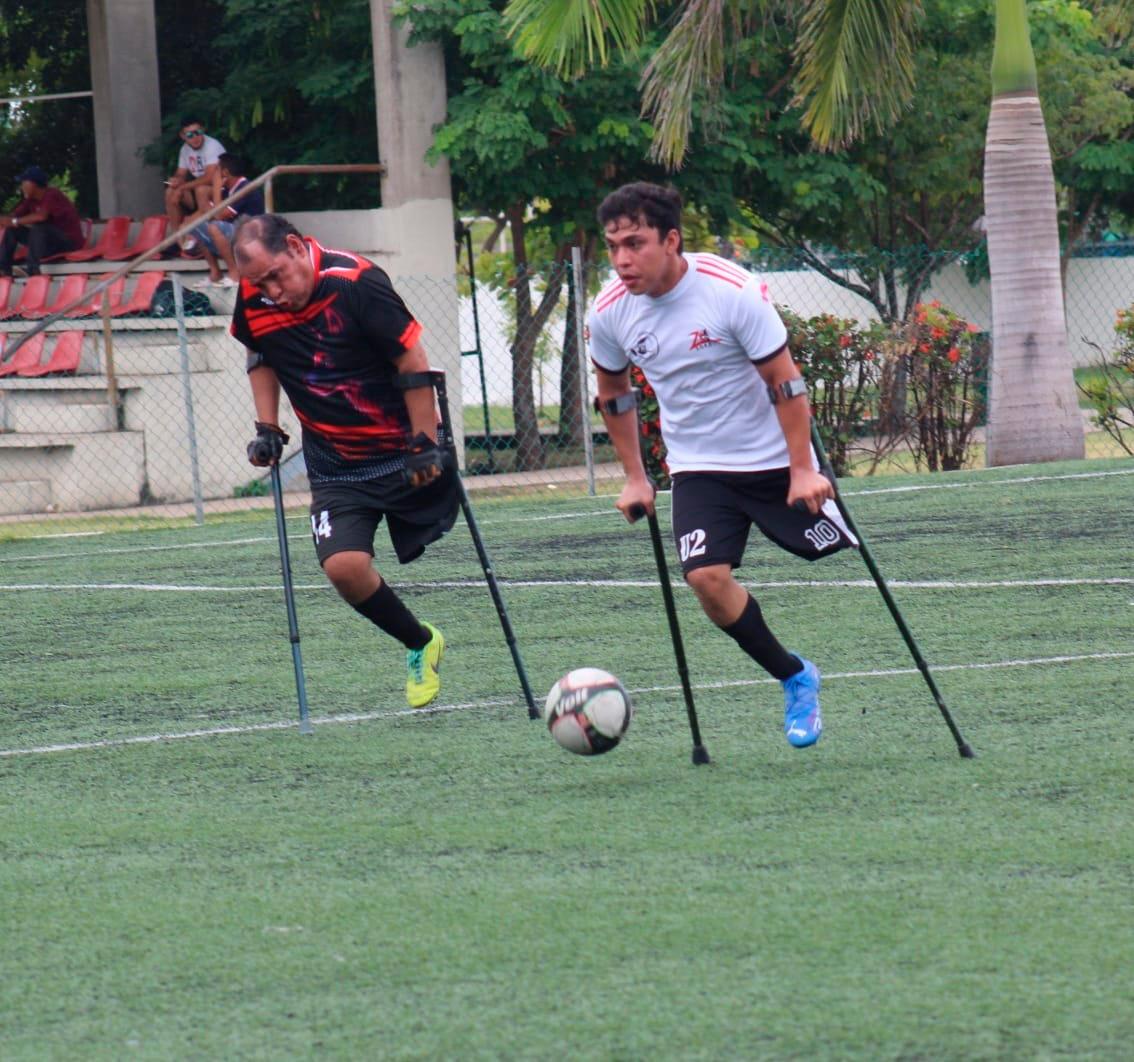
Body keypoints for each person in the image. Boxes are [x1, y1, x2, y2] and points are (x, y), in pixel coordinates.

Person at [587, 182, 857, 749]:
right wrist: (637, 476)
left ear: (672, 239)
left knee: (831, 555)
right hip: (698, 469)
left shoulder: (729, 291)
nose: (621, 260)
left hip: (775, 462)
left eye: (634, 243)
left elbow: (784, 379)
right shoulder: (611, 311)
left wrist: (803, 468)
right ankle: (795, 676)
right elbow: (612, 390)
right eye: (612, 246)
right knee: (706, 578)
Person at [229, 213, 456, 709]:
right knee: (344, 568)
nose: (271, 290)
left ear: (294, 246)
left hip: (404, 452)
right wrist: (267, 426)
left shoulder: (357, 283)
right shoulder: (255, 299)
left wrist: (425, 442)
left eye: (275, 275)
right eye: (258, 283)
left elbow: (412, 362)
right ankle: (420, 642)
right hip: (335, 464)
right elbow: (259, 354)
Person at [191, 154, 264, 288]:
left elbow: (218, 216)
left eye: (217, 169)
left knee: (214, 227)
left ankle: (235, 275)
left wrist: (217, 188)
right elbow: (209, 214)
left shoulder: (244, 188)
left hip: (252, 235)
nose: (214, 173)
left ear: (225, 172)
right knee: (197, 226)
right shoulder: (228, 189)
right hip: (235, 232)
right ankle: (215, 273)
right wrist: (205, 193)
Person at [0, 166, 84, 277]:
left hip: (68, 243)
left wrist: (15, 221)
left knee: (40, 227)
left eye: (24, 183)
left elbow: (41, 217)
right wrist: (5, 221)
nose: (22, 187)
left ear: (34, 184)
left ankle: (32, 270)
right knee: (12, 229)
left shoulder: (52, 194)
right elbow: (13, 217)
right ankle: (4, 269)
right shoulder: (30, 200)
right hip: (47, 245)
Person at [164, 117, 225, 248]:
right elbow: (181, 173)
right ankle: (178, 239)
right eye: (190, 135)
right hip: (197, 190)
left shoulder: (212, 145)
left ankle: (205, 238)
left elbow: (210, 177)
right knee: (170, 191)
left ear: (203, 130)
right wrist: (176, 180)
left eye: (198, 132)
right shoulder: (184, 149)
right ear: (183, 136)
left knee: (201, 189)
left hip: (218, 191)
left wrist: (182, 187)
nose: (195, 137)